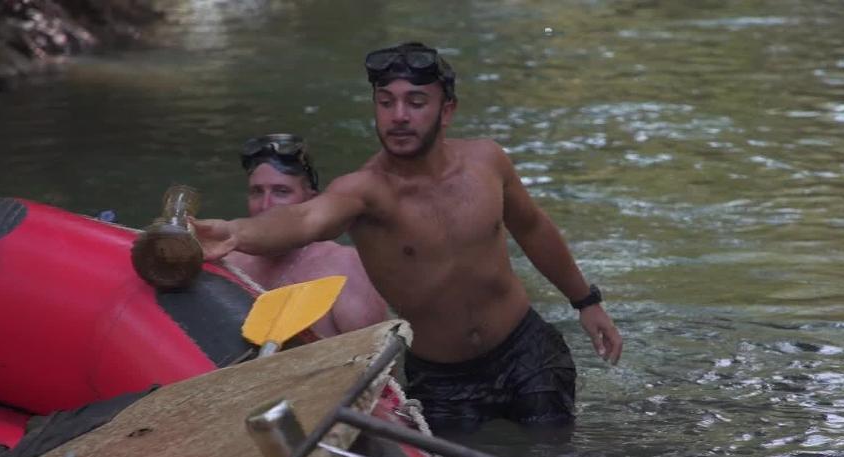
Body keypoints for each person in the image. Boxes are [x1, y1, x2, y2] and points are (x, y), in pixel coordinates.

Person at [193, 43, 622, 432]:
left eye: (416, 102)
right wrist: (236, 232)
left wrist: (586, 302)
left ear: (446, 111)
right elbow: (304, 220)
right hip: (441, 378)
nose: (398, 116)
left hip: (526, 351)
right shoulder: (364, 191)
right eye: (386, 102)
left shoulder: (487, 162)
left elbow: (532, 228)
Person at [224, 133, 387, 338]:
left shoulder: (345, 269)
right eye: (257, 192)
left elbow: (379, 356)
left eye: (281, 191)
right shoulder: (230, 262)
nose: (265, 205)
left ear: (310, 201)